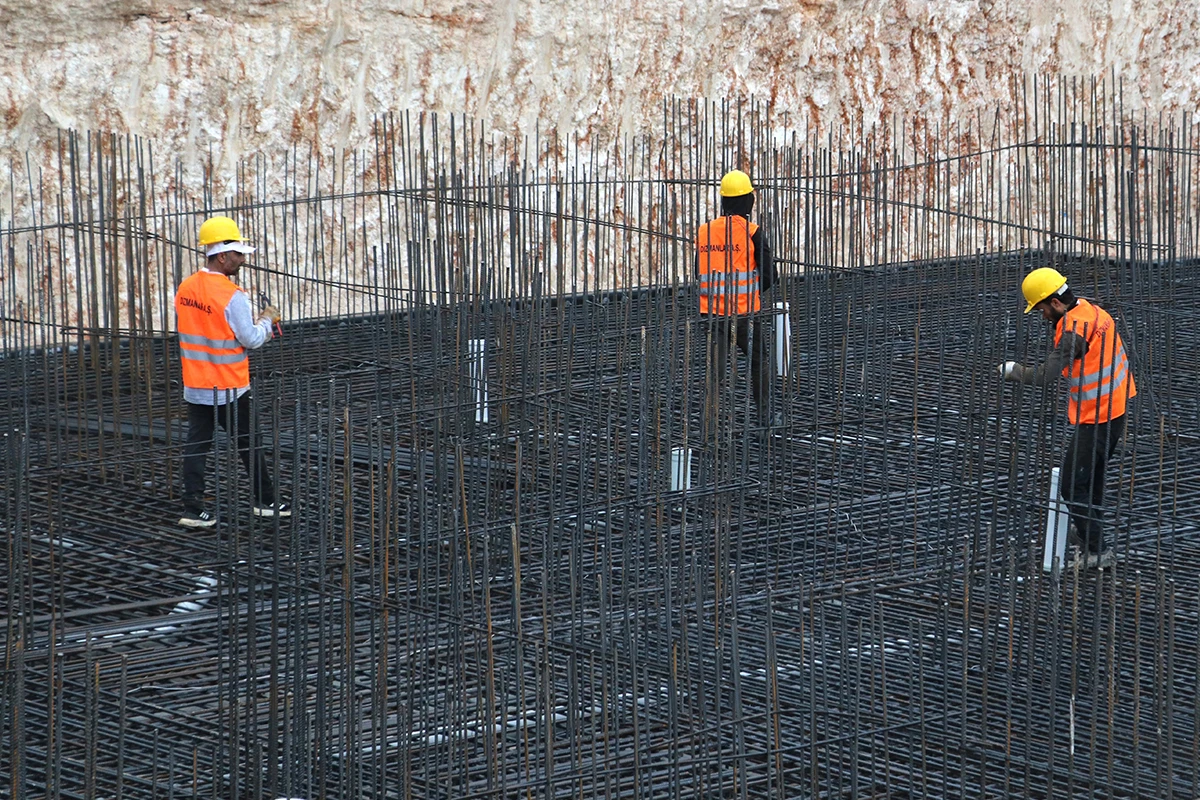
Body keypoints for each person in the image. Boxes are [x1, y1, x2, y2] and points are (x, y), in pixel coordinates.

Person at [999, 267, 1136, 568]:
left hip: (1098, 415)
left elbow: (1046, 375)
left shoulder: (1073, 332)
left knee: (1072, 486)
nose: (1044, 316)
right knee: (1090, 481)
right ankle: (1089, 533)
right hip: (1115, 409)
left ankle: (1098, 550)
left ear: (1056, 303)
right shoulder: (1093, 311)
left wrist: (1013, 371)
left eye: (1043, 309)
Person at [174, 215, 289, 527]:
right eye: (238, 254)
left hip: (196, 385)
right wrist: (267, 319)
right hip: (229, 387)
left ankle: (192, 508)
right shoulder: (231, 295)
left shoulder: (185, 288)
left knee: (196, 446)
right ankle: (266, 501)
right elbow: (250, 339)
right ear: (222, 255)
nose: (242, 260)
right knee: (250, 442)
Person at [696, 169, 781, 428]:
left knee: (715, 372)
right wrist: (751, 292)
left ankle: (708, 424)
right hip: (745, 316)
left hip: (711, 315)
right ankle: (765, 418)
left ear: (723, 201)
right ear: (749, 201)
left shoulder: (704, 231)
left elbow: (699, 271)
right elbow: (770, 275)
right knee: (759, 362)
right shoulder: (753, 232)